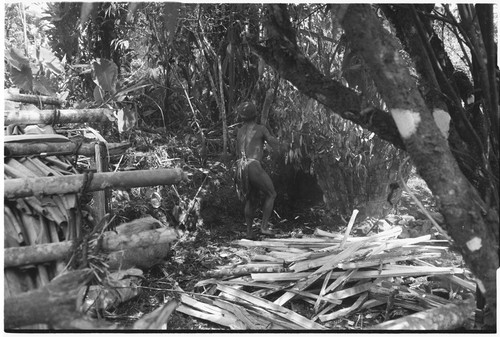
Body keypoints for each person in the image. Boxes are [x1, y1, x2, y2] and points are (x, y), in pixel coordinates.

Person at [235, 101, 280, 239]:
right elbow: (274, 144)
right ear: (256, 115)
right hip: (253, 165)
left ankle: (249, 232)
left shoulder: (240, 131)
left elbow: (237, 151)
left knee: (251, 198)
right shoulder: (260, 129)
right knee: (271, 193)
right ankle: (264, 227)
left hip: (240, 167)